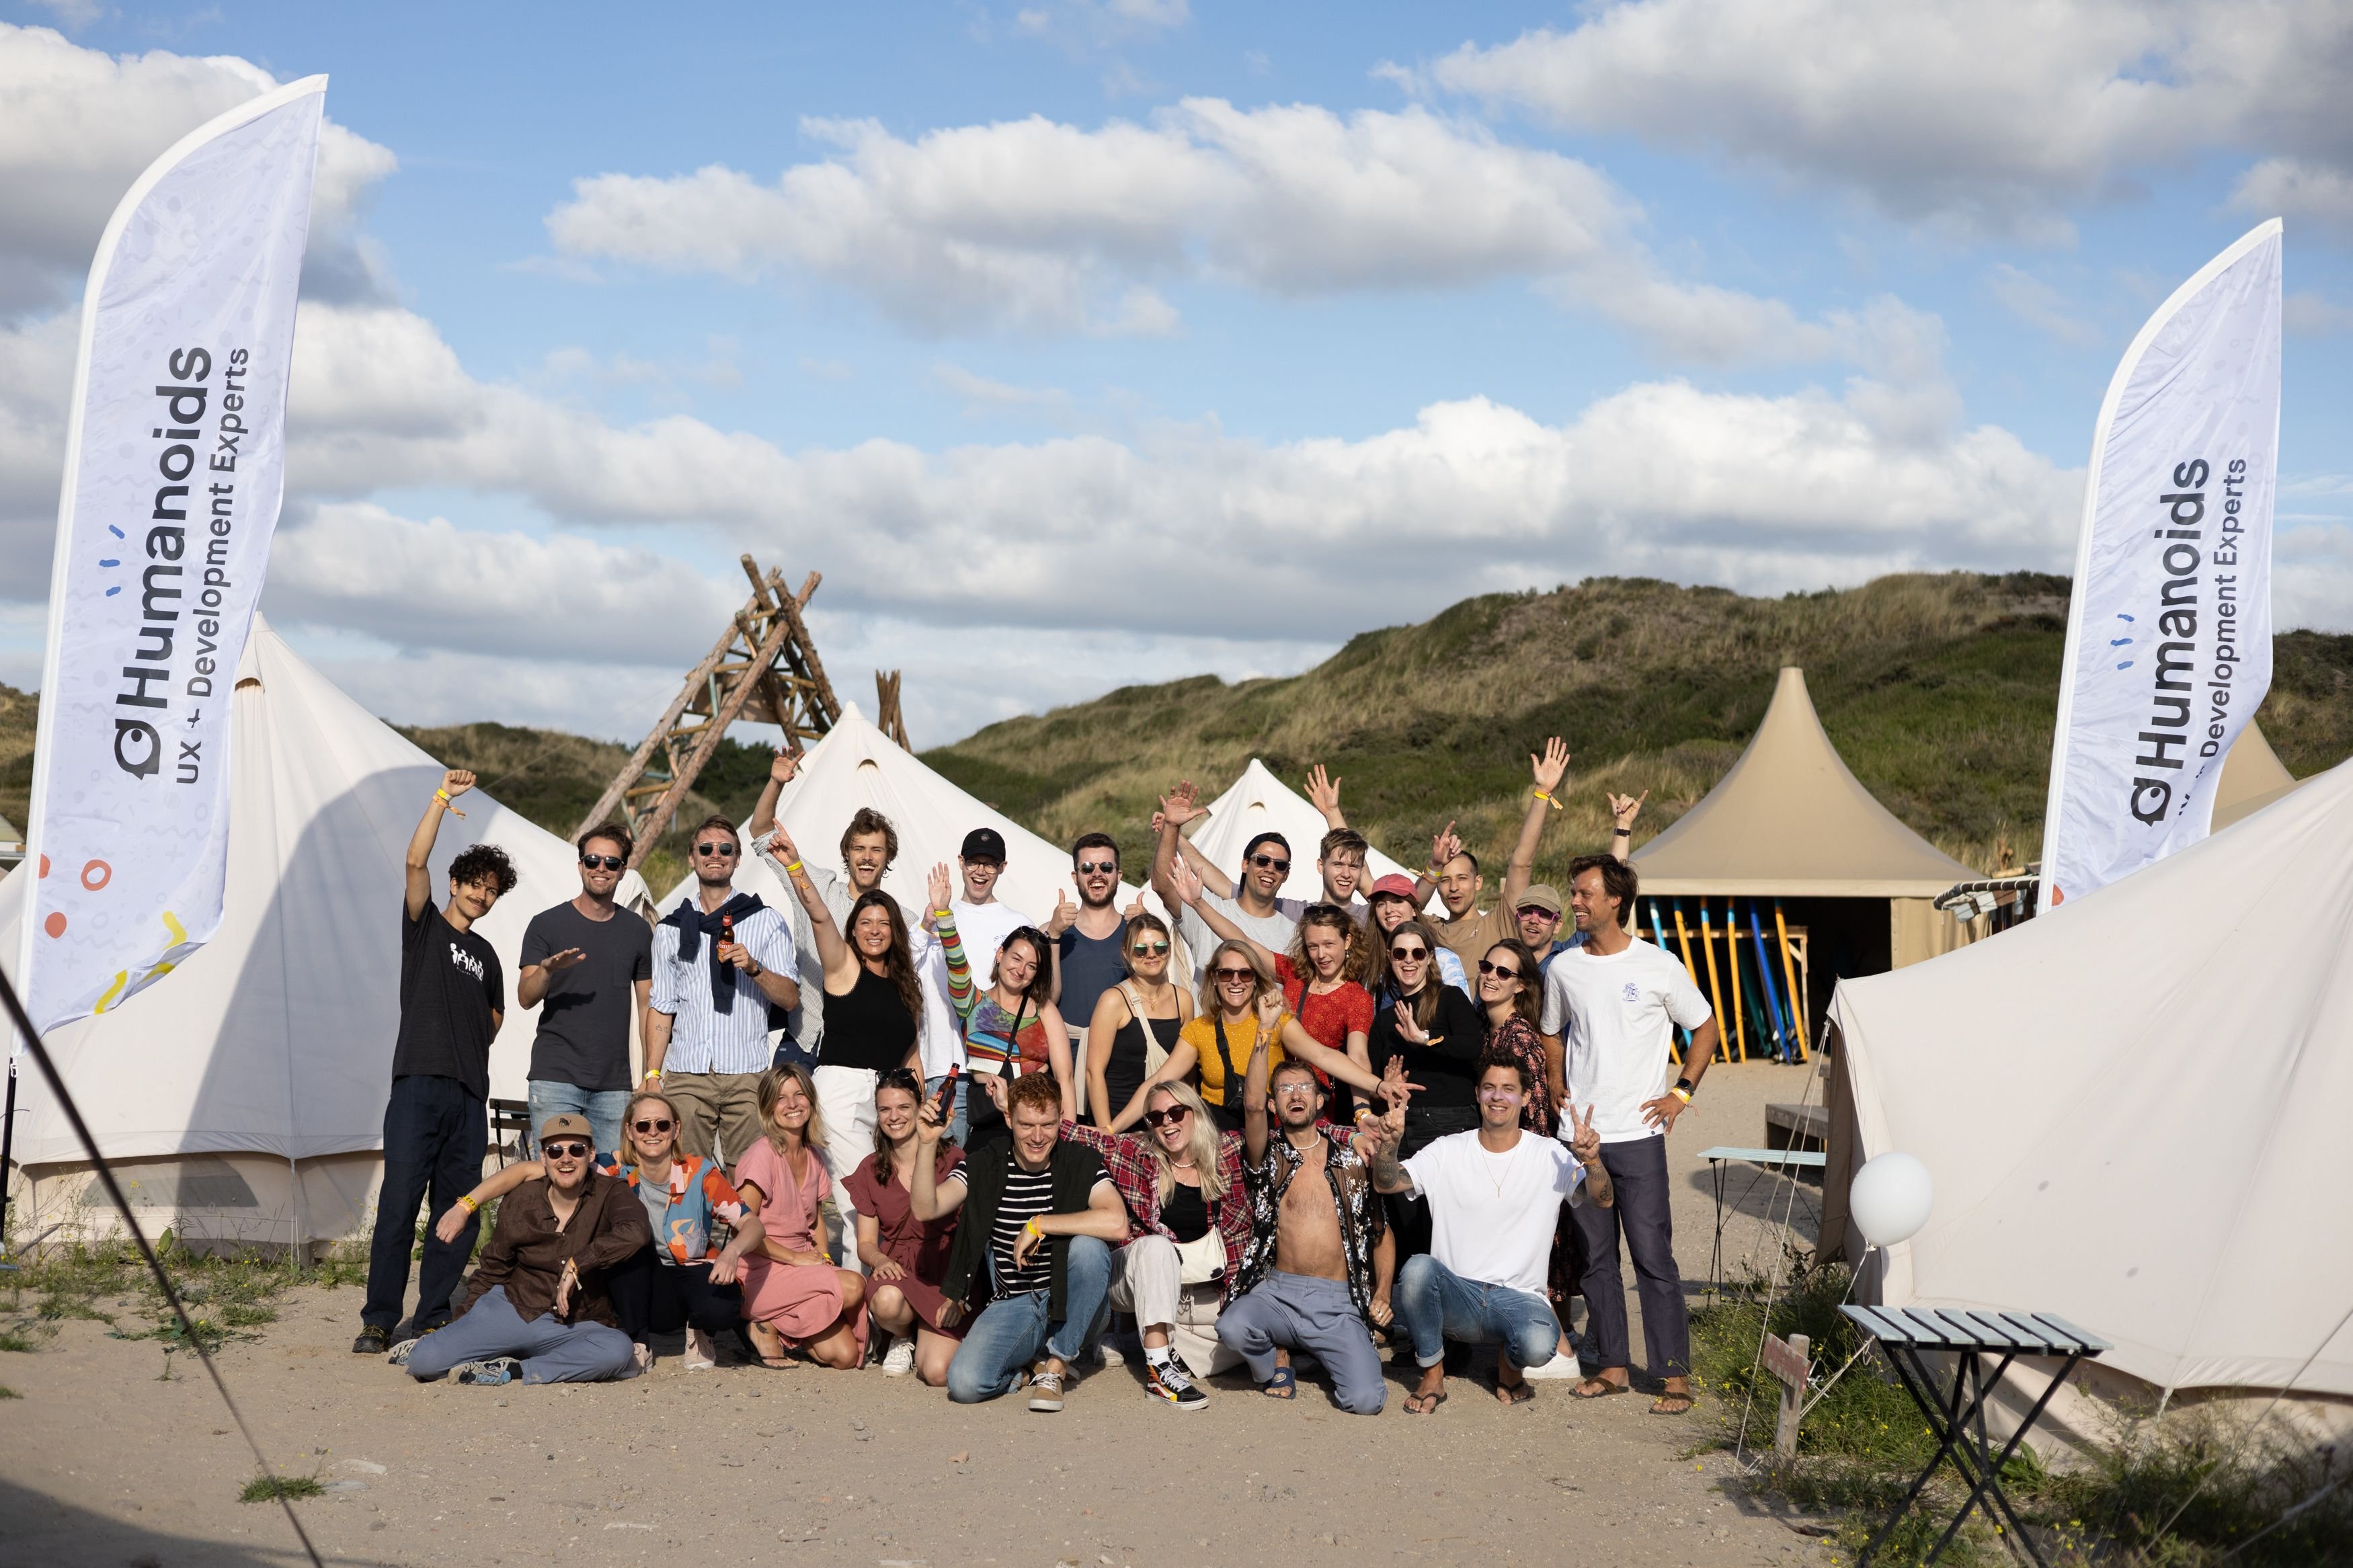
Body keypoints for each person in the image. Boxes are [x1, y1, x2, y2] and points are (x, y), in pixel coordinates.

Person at [1544, 854, 1719, 1415]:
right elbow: (1551, 1031)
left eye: (1584, 893)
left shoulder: (1659, 964)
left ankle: (1673, 1374)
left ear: (1614, 899)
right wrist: (1553, 1080)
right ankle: (1614, 1366)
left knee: (1652, 1256)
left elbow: (1706, 1025)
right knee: (1596, 1257)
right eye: (1574, 893)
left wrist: (1682, 1092)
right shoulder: (1563, 968)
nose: (1575, 901)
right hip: (1584, 1139)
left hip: (1641, 1136)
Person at [355, 770, 516, 1357]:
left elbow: (495, 1019)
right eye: (474, 883)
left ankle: (432, 1314)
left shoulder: (489, 955)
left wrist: (468, 1042)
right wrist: (443, 798)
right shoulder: (424, 928)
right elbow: (414, 861)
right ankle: (378, 1318)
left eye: (491, 889)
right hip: (417, 1085)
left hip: (469, 1095)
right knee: (399, 1205)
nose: (481, 894)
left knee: (457, 1214)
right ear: (455, 882)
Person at [437, 1090, 766, 1372]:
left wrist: (731, 1252)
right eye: (643, 1125)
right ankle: (640, 1341)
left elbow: (752, 1225)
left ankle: (701, 1329)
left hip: (691, 1270)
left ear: (676, 1130)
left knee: (723, 1304)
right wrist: (465, 1206)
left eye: (663, 1125)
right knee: (629, 1247)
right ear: (630, 1131)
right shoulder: (610, 1168)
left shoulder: (701, 1173)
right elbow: (524, 1171)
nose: (653, 1133)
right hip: (644, 1273)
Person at [1357, 1054, 1613, 1413]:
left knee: (1540, 1343)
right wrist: (1389, 1143)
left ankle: (1508, 1368)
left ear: (1525, 1098)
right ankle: (1432, 1375)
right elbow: (1387, 1183)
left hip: (1519, 1299)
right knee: (1416, 1270)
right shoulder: (1449, 1149)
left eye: (1509, 1089)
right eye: (1490, 1088)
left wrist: (1593, 1161)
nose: (1498, 1097)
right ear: (1478, 1094)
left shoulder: (1549, 1154)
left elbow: (1602, 1200)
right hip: (1457, 1297)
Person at [769, 835, 967, 1276]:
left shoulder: (904, 985)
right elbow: (820, 915)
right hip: (841, 1089)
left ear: (895, 930)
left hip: (892, 1094)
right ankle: (865, 1319)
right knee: (863, 1203)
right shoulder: (842, 966)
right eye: (866, 921)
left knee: (904, 1194)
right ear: (854, 929)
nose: (875, 929)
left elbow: (911, 1052)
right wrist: (797, 868)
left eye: (884, 922)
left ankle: (893, 1309)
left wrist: (922, 1108)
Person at [916, 1071, 1128, 1411]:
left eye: (1047, 1124)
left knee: (1089, 1248)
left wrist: (1040, 1224)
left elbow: (1118, 1223)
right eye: (1027, 1125)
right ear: (1008, 1118)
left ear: (1061, 1119)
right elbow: (927, 1208)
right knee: (965, 1384)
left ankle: (1056, 1366)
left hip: (1075, 1299)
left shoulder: (1079, 1161)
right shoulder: (985, 1164)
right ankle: (1030, 1368)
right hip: (1015, 1302)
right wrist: (927, 1144)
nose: (1038, 1136)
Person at [397, 1113, 649, 1386]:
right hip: (514, 1309)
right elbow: (493, 1267)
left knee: (617, 1350)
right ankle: (425, 1345)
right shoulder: (523, 1198)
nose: (566, 1159)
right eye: (555, 1151)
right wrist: (464, 1324)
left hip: (576, 1322)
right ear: (543, 1158)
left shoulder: (611, 1192)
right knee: (424, 1362)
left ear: (591, 1154)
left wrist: (579, 1263)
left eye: (576, 1149)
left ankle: (514, 1369)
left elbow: (636, 1231)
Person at [1220, 1042, 1394, 1414]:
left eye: (1303, 1088)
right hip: (1280, 1294)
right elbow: (1250, 1106)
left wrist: (1383, 1293)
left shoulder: (1352, 1159)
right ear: (1274, 1105)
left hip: (1337, 1302)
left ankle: (1318, 1353)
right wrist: (1264, 1035)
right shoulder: (1269, 1156)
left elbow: (1381, 1232)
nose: (1295, 1095)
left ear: (1319, 1102)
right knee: (1233, 1327)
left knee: (1366, 1402)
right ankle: (1277, 1359)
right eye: (1284, 1089)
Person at [1058, 1079, 1248, 1408]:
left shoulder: (1228, 1149)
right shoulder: (1137, 1152)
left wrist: (1358, 1130)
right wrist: (1009, 1105)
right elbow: (1078, 1134)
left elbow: (1292, 1137)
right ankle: (1160, 1369)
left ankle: (1154, 1343)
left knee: (1249, 1335)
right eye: (1156, 1118)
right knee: (1157, 1246)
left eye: (1175, 1112)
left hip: (1204, 1285)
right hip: (1134, 1277)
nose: (1167, 1123)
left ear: (1195, 1112)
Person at [643, 816, 799, 1167]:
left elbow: (790, 997)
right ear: (692, 858)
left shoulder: (764, 920)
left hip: (747, 1071)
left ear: (738, 859)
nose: (716, 854)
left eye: (725, 848)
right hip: (687, 1071)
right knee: (685, 1178)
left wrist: (754, 967)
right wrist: (653, 1075)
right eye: (706, 848)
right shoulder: (670, 928)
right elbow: (662, 1008)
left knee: (748, 1180)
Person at [517, 821, 653, 1159]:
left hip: (615, 1084)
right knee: (552, 1180)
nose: (601, 869)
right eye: (593, 861)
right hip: (555, 1078)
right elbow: (525, 997)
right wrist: (547, 970)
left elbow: (648, 1005)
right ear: (580, 866)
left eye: (611, 863)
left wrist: (651, 1074)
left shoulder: (638, 930)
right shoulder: (546, 924)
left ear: (623, 871)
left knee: (610, 1183)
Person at [1364, 918, 1488, 1266]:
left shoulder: (1449, 999)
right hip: (1404, 1126)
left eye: (1417, 952)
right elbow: (1374, 1079)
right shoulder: (1385, 1019)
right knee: (1410, 1229)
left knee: (1453, 1227)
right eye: (1400, 953)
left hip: (1452, 1122)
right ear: (1390, 957)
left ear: (1430, 957)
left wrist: (1427, 1039)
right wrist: (1386, 1086)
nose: (1409, 960)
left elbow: (1473, 1047)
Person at [733, 1062, 869, 1369]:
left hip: (802, 1265)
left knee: (844, 1357)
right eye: (781, 1098)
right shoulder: (761, 1157)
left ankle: (772, 1325)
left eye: (799, 1095)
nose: (792, 1104)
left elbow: (816, 1219)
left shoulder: (814, 1154)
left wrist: (822, 1256)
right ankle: (756, 1315)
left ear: (811, 1099)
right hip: (760, 1267)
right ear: (768, 1107)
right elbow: (742, 1230)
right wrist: (796, 1260)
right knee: (853, 1286)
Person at [844, 1069, 967, 1385]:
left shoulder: (954, 1158)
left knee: (938, 1374)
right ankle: (901, 1336)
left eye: (903, 1108)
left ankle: (929, 1338)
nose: (894, 1117)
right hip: (898, 1268)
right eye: (885, 1109)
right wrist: (880, 1260)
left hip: (945, 1268)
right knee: (886, 1301)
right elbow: (867, 1243)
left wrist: (961, 1289)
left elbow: (972, 1233)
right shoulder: (870, 1169)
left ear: (920, 1107)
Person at [1419, 738, 1572, 975]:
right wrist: (1435, 866)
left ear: (1478, 882)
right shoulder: (1431, 929)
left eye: (1462, 878)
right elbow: (1407, 907)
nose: (1454, 888)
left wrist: (1542, 794)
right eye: (1445, 880)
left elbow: (1522, 863)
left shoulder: (1500, 922)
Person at [1129, 939, 1291, 1136]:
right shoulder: (1200, 1028)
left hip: (1270, 1132)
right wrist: (1111, 1129)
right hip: (1218, 1139)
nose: (1236, 981)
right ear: (1214, 978)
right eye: (1226, 973)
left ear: (1256, 979)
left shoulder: (1276, 1019)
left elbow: (1322, 1055)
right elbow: (1159, 1080)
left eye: (1246, 973)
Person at [1152, 780, 1302, 957]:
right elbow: (1163, 886)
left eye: (1280, 865)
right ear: (1245, 865)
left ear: (1286, 875)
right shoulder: (1207, 907)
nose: (1270, 869)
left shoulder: (1295, 935)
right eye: (1262, 860)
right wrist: (1171, 827)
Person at [955, 923, 1072, 1146]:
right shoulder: (972, 1002)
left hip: (1037, 1120)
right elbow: (955, 964)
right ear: (1001, 954)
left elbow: (1064, 1077)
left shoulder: (1044, 1009)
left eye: (1031, 966)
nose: (1021, 970)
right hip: (989, 1121)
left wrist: (1068, 1139)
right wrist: (943, 916)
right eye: (1016, 959)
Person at [1084, 912, 1193, 1133]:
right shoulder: (1113, 1000)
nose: (1151, 955)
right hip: (1120, 1122)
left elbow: (1188, 1073)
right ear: (1126, 952)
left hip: (1168, 1123)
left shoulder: (1183, 1000)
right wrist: (1107, 1132)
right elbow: (1094, 1072)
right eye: (1141, 950)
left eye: (1160, 947)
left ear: (1169, 948)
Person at [1048, 833, 1128, 1110]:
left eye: (1106, 868)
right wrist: (1054, 937)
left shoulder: (1137, 936)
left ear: (1118, 875)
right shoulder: (1051, 931)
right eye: (1087, 868)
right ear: (1075, 876)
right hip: (1064, 1071)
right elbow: (1045, 999)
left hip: (1120, 1070)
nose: (1097, 874)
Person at [950, 827, 1035, 987]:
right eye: (973, 863)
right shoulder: (936, 919)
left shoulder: (1020, 924)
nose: (981, 871)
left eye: (990, 864)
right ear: (961, 862)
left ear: (1002, 867)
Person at [1365, 874, 1468, 995]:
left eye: (1397, 901)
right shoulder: (1371, 961)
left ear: (1414, 909)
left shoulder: (1444, 959)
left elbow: (1461, 1010)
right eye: (1381, 904)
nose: (1389, 910)